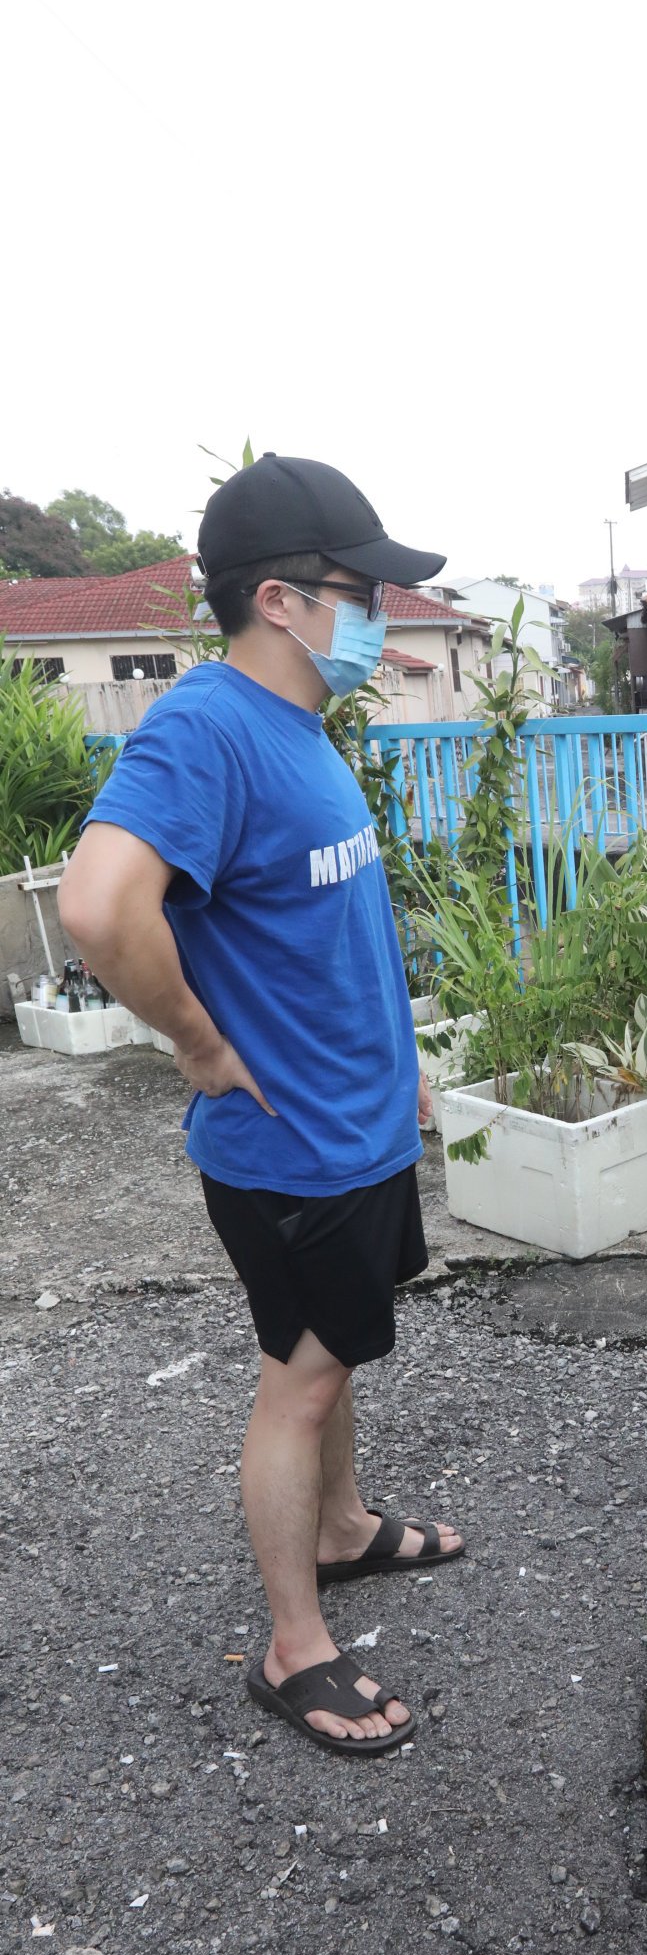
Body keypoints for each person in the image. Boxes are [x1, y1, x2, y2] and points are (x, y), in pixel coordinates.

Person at [59, 454, 465, 1758]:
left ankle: (342, 1533)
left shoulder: (292, 730)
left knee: (331, 1356)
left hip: (353, 1128)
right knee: (297, 1379)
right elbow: (97, 903)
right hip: (290, 1145)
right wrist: (192, 1040)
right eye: (366, 592)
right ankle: (295, 1647)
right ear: (283, 599)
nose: (383, 616)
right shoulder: (208, 728)